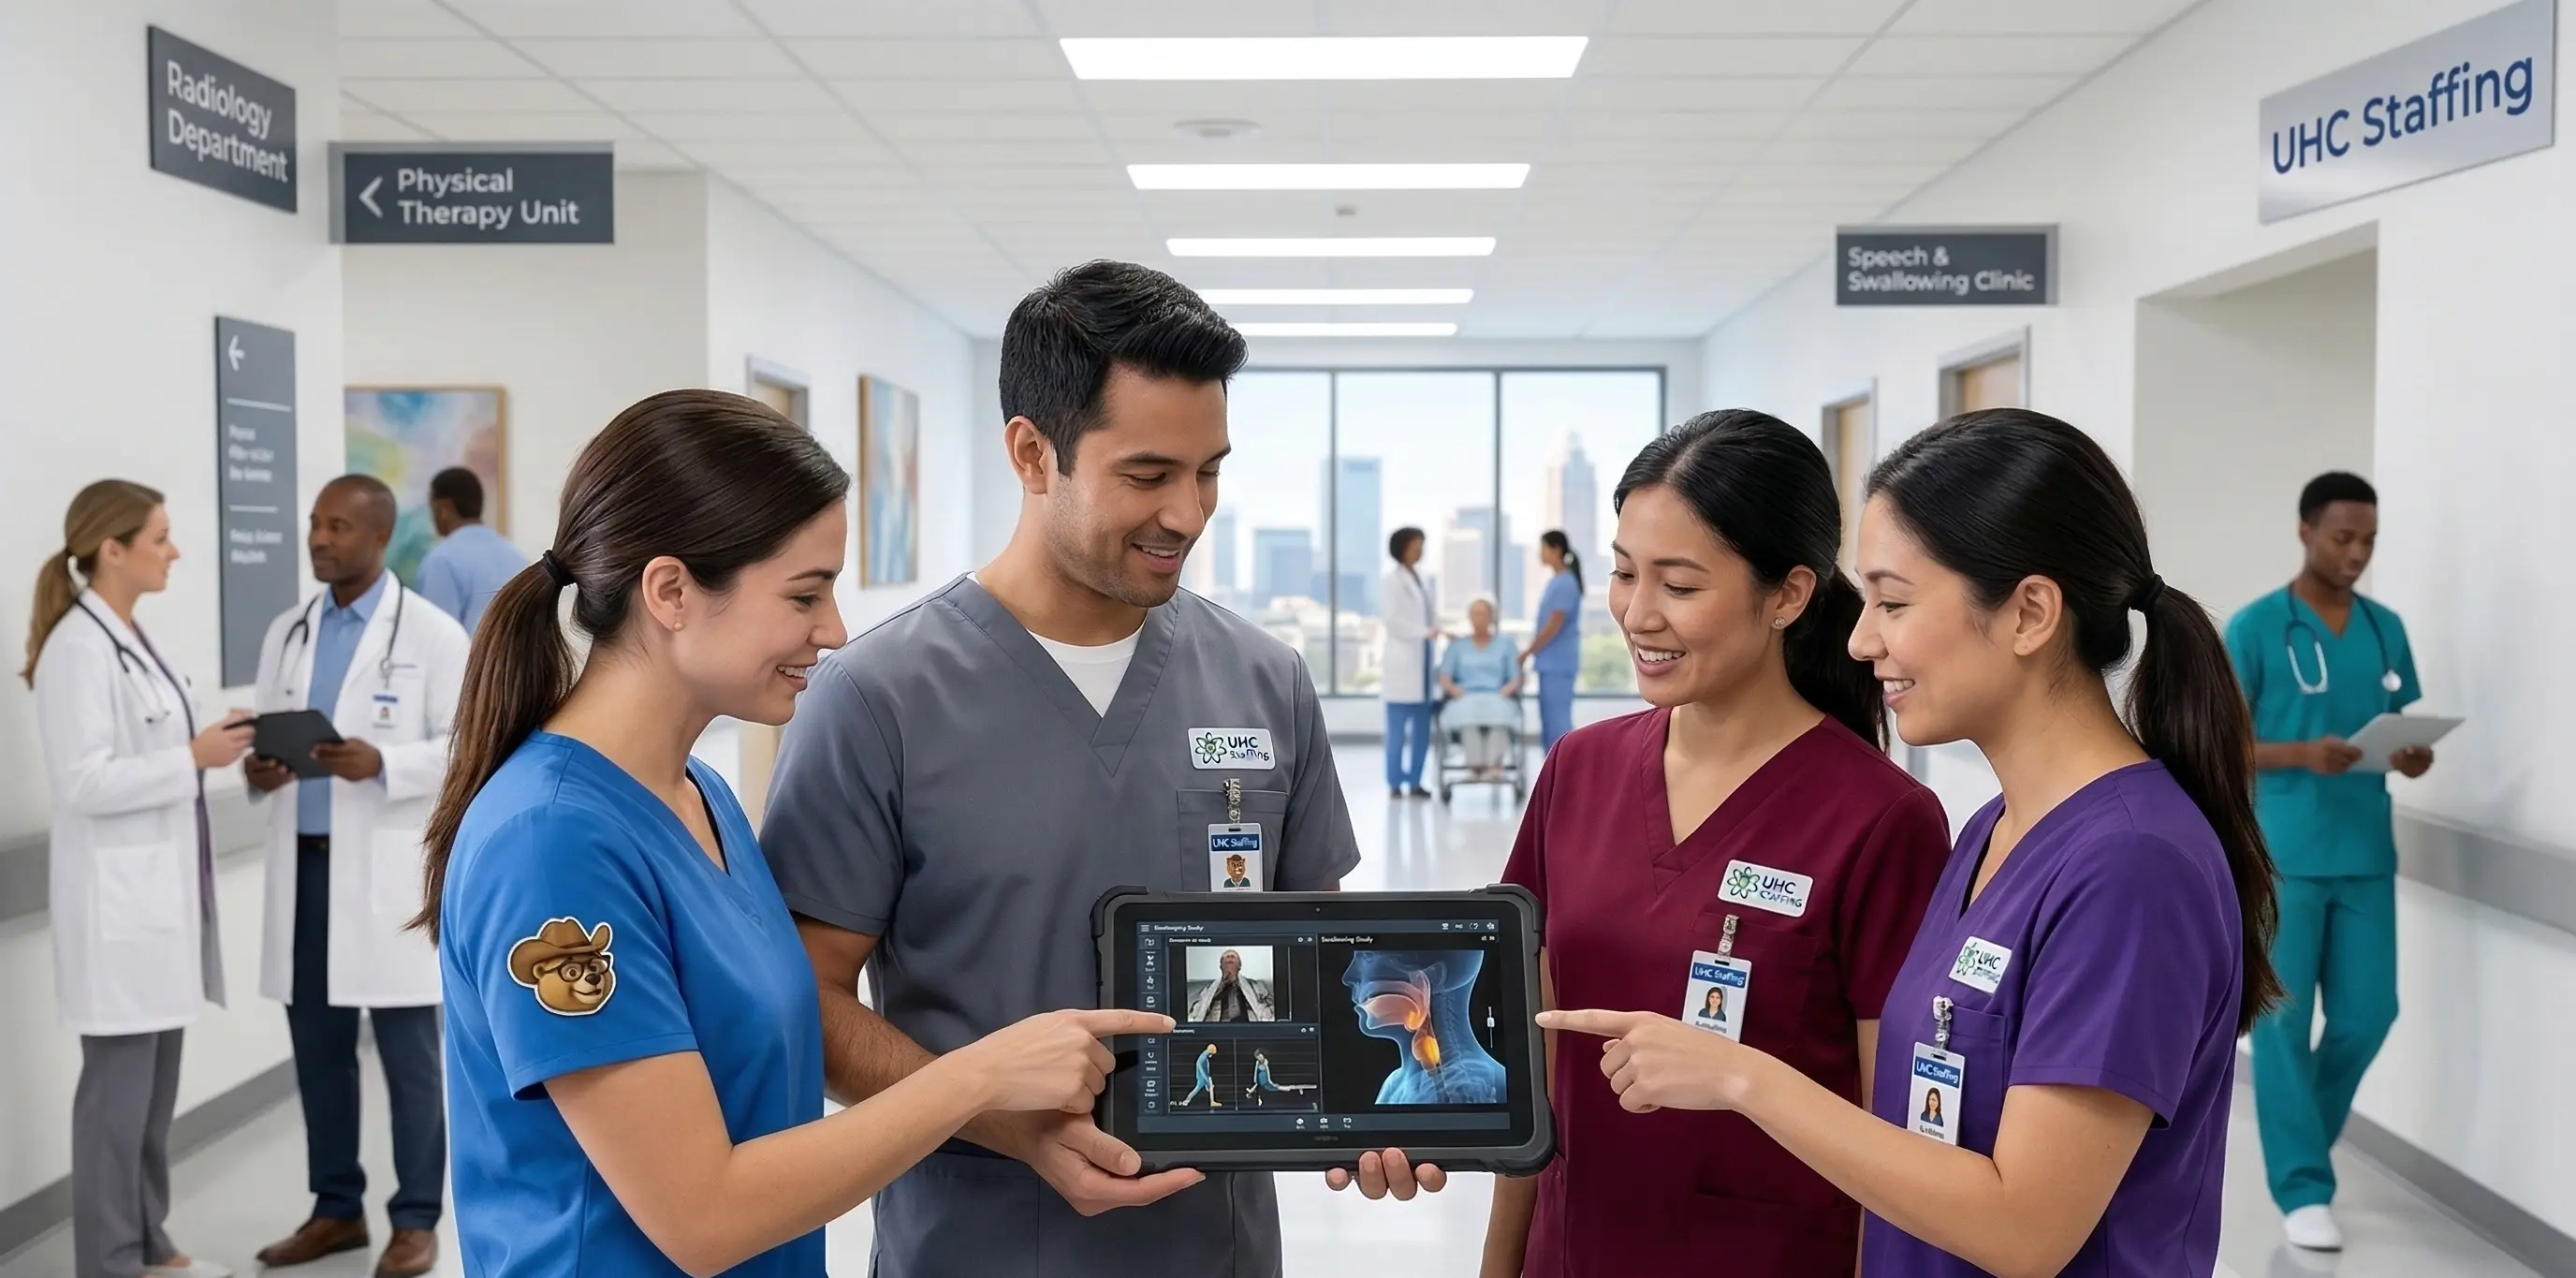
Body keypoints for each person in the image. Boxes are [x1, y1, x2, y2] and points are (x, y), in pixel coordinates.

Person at [759, 260, 1431, 1278]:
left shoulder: (1265, 680)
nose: (1189, 512)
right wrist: (1006, 1123)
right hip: (978, 1243)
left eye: (1209, 471)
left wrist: (1383, 1100)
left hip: (1220, 1249)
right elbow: (805, 999)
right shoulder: (876, 697)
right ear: (1032, 453)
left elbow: (1317, 969)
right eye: (1148, 475)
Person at [418, 389, 1163, 1276]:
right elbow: (704, 1215)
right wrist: (977, 1076)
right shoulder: (552, 842)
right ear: (671, 591)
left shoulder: (704, 798)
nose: (835, 630)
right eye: (804, 593)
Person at [1543, 408, 2285, 1278]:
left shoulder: (2133, 865)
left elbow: (2025, 1227)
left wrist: (1742, 1077)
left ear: (2029, 613)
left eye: (1893, 601)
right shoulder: (1992, 834)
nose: (1860, 638)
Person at [1485, 411, 1951, 1278]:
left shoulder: (1884, 819)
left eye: (1681, 585)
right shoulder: (1578, 770)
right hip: (1575, 1247)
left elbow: (1897, 1136)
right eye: (1624, 573)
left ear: (1788, 595)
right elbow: (1536, 1053)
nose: (1639, 613)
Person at [244, 476, 470, 1277]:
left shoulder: (436, 635)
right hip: (303, 869)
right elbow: (263, 725)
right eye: (314, 524)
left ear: (378, 537)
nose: (319, 537)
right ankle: (335, 1208)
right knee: (318, 1049)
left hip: (382, 875)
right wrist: (260, 768)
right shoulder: (289, 632)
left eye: (337, 526)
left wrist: (385, 761)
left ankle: (416, 1219)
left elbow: (464, 748)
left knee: (411, 1056)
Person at [28, 480, 252, 1278]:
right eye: (160, 536)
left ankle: (151, 1244)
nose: (175, 550)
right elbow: (82, 782)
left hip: (157, 905)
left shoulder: (128, 636)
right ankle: (112, 1260)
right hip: (118, 912)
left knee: (152, 1100)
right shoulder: (77, 648)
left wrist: (201, 750)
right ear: (111, 548)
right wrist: (190, 757)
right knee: (116, 1106)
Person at [2225, 471, 2428, 1253]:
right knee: (2280, 1024)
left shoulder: (2384, 629)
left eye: (2369, 540)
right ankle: (2303, 1183)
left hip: (2366, 851)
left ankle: (2295, 1136)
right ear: (2306, 530)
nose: (2357, 553)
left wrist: (2407, 757)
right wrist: (2300, 753)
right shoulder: (2255, 628)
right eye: (2343, 537)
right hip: (2284, 853)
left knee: (2369, 1013)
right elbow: (2225, 743)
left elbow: (2394, 723)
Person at [414, 466, 529, 635]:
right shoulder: (517, 556)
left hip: (469, 660)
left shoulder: (442, 561)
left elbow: (435, 636)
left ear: (444, 509)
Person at [1437, 596, 1523, 776]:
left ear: (1492, 617)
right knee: (1468, 719)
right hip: (1466, 697)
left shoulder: (1505, 645)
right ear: (1469, 618)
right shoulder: (1458, 646)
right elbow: (1444, 676)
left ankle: (1493, 766)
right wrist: (1453, 690)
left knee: (1500, 718)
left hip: (1497, 696)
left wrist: (1508, 689)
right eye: (1475, 614)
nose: (1480, 618)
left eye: (1484, 614)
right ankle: (1475, 766)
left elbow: (1516, 676)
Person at [1382, 525, 1437, 798]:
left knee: (1421, 732)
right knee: (1396, 732)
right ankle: (1394, 782)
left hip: (1423, 664)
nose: (1421, 550)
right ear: (1403, 548)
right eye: (1416, 545)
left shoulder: (1424, 579)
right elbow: (1393, 622)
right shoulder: (1392, 581)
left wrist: (1433, 630)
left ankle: (1415, 781)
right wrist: (1425, 632)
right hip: (1402, 666)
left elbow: (1427, 617)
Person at [1523, 530, 1583, 752]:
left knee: (1558, 725)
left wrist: (1527, 652)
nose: (1540, 554)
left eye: (1543, 549)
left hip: (1558, 664)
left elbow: (1552, 627)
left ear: (1556, 549)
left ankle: (1565, 777)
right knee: (1550, 724)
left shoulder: (1565, 583)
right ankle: (1553, 777)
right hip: (1551, 664)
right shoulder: (1556, 581)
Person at [1187, 949, 1275, 1022]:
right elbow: (1197, 1009)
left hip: (1246, 1026)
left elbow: (1272, 1004)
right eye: (1226, 957)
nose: (1230, 957)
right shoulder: (1209, 989)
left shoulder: (1256, 986)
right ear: (1221, 966)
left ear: (1239, 965)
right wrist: (1221, 986)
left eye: (1233, 956)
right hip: (1217, 1027)